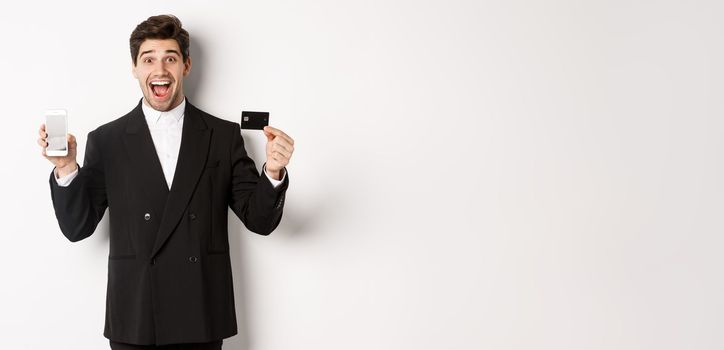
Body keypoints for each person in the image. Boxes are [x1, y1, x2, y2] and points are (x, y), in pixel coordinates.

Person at [37, 14, 294, 349]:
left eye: (170, 58)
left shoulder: (222, 135)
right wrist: (67, 167)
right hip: (136, 316)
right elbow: (77, 228)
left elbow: (259, 220)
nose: (159, 70)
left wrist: (272, 171)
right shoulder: (107, 140)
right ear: (134, 68)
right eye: (149, 59)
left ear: (185, 66)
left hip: (200, 314)